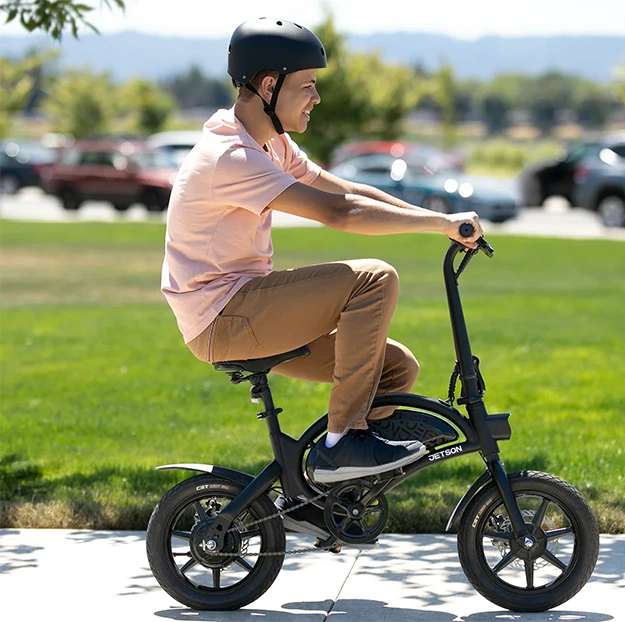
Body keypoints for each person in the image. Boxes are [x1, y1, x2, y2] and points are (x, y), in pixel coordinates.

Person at [161, 17, 483, 501]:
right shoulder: (231, 156)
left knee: (395, 368)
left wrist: (442, 217)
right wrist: (438, 227)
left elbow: (347, 188)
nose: (316, 98)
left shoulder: (271, 144)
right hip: (223, 317)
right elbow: (337, 211)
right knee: (374, 278)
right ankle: (341, 446)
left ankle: (340, 493)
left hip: (245, 309)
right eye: (307, 85)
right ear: (269, 85)